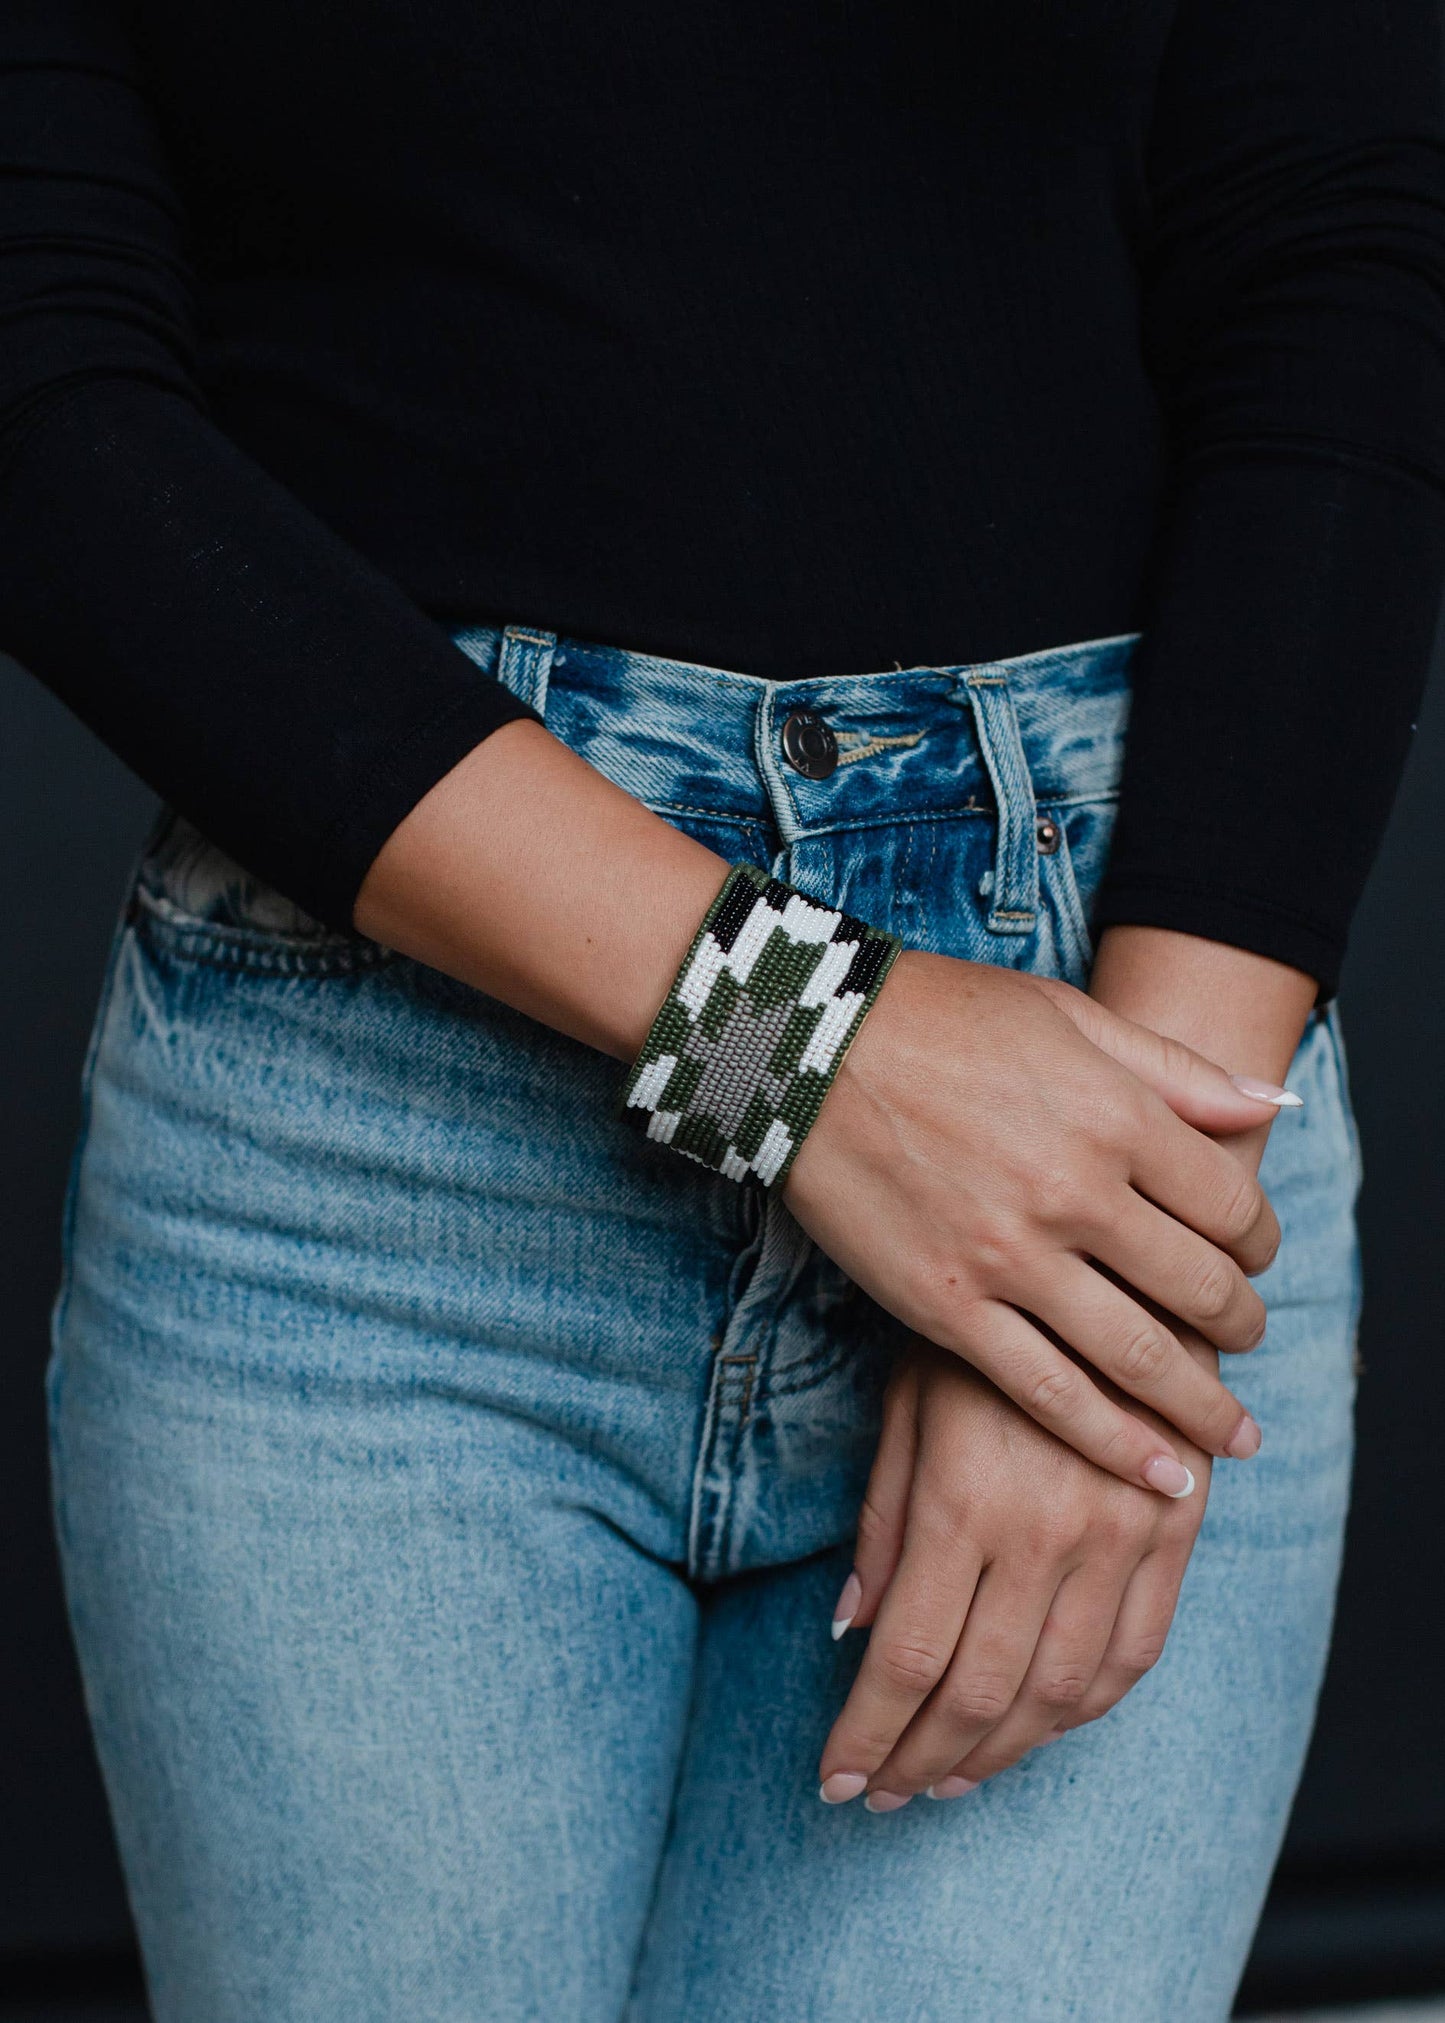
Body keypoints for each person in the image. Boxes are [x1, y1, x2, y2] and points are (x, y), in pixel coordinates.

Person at [3, 3, 1440, 2018]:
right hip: (385, 1184)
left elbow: (1348, 277)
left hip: (1123, 1034)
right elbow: (51, 402)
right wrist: (809, 1056)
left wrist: (1104, 1273)